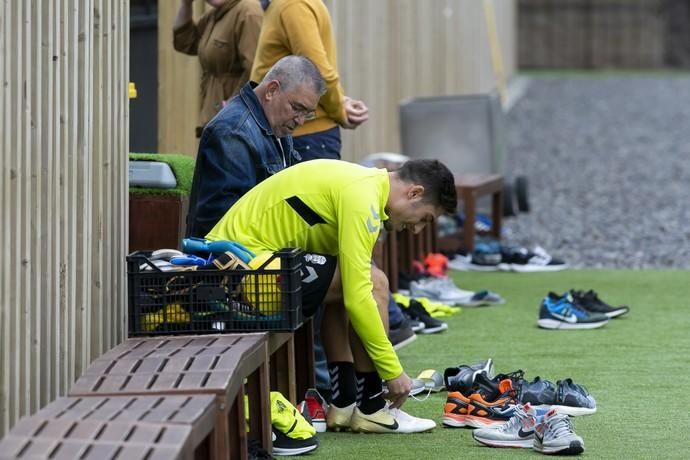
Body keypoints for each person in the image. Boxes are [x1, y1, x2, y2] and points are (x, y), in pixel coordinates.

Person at [207, 158, 458, 432]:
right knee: (374, 285)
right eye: (425, 218)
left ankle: (345, 403)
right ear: (414, 193)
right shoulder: (364, 197)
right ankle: (372, 407)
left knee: (353, 279)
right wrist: (392, 371)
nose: (417, 229)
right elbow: (360, 294)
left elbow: (350, 288)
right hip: (239, 273)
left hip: (243, 267)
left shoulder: (365, 187)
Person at [185, 55, 325, 238]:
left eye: (307, 113)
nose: (300, 121)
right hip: (230, 260)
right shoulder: (233, 132)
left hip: (257, 254)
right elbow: (224, 224)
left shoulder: (276, 124)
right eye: (297, 108)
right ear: (271, 91)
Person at [250, 0, 368, 161]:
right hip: (297, 137)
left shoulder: (293, 6)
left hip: (304, 139)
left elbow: (317, 71)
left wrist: (339, 109)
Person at [173, 0, 263, 137]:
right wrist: (186, 5)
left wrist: (235, 108)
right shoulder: (217, 14)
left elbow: (256, 71)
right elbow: (185, 42)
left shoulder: (248, 12)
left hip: (237, 124)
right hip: (217, 117)